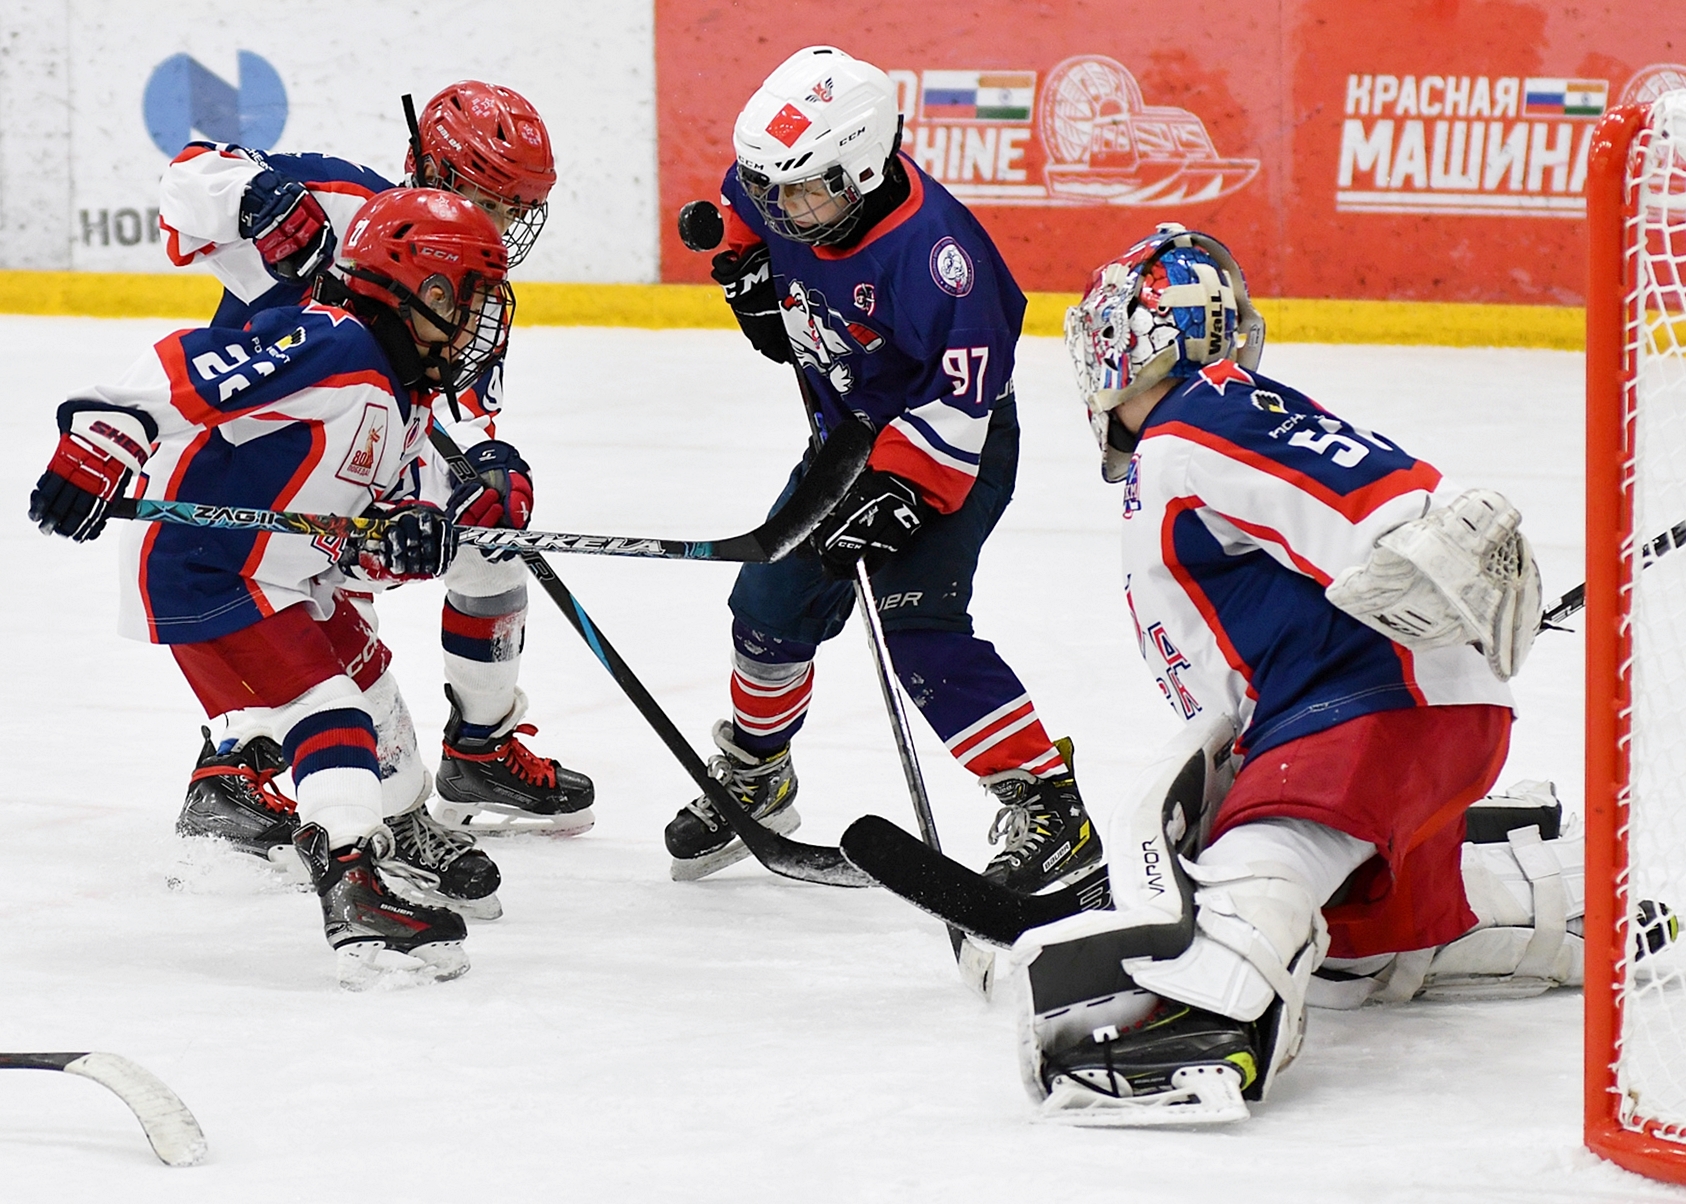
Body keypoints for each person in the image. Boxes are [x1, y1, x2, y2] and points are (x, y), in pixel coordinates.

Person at [1008, 223, 1578, 1124]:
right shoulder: (1183, 440)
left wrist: (1419, 534)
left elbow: (1355, 482)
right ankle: (1567, 900)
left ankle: (1212, 1013)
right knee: (1353, 951)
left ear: (1146, 332)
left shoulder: (1199, 417)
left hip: (1371, 705)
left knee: (1263, 863)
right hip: (1387, 710)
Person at [28, 188, 520, 988]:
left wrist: (411, 531)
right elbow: (181, 364)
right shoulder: (334, 346)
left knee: (368, 684)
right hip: (204, 564)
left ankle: (386, 841)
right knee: (325, 709)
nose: (477, 327)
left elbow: (360, 538)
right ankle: (355, 892)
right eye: (467, 303)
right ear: (422, 291)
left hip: (284, 573)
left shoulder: (406, 398)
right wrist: (105, 441)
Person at [667, 45, 1102, 890]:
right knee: (768, 604)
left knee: (919, 632)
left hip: (947, 443)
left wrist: (902, 490)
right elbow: (745, 206)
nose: (785, 208)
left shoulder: (945, 264)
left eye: (804, 191)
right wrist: (740, 259)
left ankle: (1049, 804)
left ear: (863, 168)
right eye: (774, 189)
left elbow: (965, 405)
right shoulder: (791, 177)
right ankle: (760, 775)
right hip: (847, 436)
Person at [157, 80, 594, 851]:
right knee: (303, 619)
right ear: (440, 173)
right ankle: (234, 768)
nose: (511, 224)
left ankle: (480, 751)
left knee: (488, 552)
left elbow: (469, 415)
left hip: (364, 462)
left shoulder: (467, 273)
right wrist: (260, 198)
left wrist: (495, 469)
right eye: (498, 201)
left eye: (521, 209)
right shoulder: (339, 199)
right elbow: (191, 177)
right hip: (258, 464)